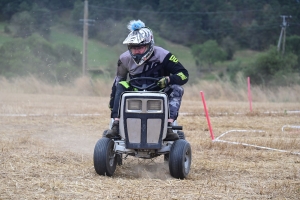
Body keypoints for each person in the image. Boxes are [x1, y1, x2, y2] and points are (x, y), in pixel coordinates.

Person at [106, 19, 189, 141]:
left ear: (150, 44)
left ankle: (168, 126)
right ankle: (116, 125)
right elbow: (119, 79)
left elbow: (184, 74)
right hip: (135, 91)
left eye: (140, 47)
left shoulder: (163, 55)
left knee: (177, 88)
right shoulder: (124, 58)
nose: (137, 51)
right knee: (122, 84)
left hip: (160, 91)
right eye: (133, 48)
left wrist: (168, 79)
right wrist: (113, 103)